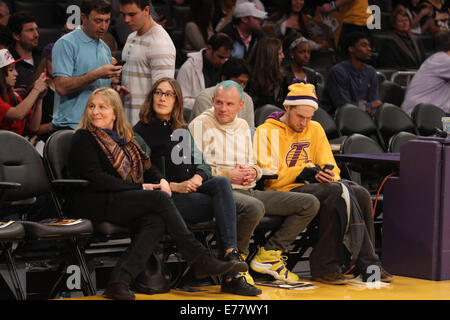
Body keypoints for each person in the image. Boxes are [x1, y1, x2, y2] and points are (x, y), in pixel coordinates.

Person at [66, 87, 246, 300]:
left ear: (115, 112)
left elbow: (147, 165)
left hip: (119, 200)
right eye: (92, 107)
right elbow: (97, 179)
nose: (95, 112)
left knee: (155, 221)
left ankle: (118, 282)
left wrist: (160, 179)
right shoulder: (83, 137)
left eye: (102, 107)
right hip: (93, 202)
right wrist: (140, 187)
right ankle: (198, 258)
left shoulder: (124, 139)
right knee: (159, 198)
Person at [253, 80, 394, 285]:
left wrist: (328, 174)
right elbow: (270, 177)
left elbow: (330, 165)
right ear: (287, 108)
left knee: (360, 193)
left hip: (318, 187)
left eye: (308, 118)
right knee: (336, 192)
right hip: (284, 190)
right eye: (300, 116)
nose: (304, 123)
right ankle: (341, 266)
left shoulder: (315, 128)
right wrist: (303, 172)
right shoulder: (267, 131)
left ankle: (357, 265)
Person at [133, 77, 261, 296]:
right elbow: (141, 176)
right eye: (158, 93)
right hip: (166, 199)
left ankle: (230, 255)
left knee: (220, 183)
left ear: (177, 101)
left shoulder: (181, 129)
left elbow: (202, 163)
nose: (163, 98)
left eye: (168, 94)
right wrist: (175, 186)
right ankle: (231, 276)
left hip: (191, 192)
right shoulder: (140, 132)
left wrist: (199, 178)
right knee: (226, 205)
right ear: (151, 97)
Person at [189, 80, 319, 284]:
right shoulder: (199, 125)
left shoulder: (242, 126)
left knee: (309, 203)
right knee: (254, 206)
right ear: (212, 101)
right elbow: (195, 170)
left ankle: (269, 254)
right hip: (219, 193)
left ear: (241, 106)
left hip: (249, 189)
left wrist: (253, 172)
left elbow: (255, 164)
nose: (223, 109)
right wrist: (226, 174)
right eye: (219, 103)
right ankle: (236, 261)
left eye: (230, 104)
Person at [51, 0, 129, 131]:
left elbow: (98, 90)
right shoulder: (66, 44)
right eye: (98, 21)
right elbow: (61, 87)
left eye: (107, 21)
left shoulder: (105, 48)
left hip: (98, 126)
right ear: (83, 18)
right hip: (71, 127)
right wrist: (98, 73)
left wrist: (114, 91)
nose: (103, 27)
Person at [119, 0, 176, 126]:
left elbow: (164, 95)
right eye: (123, 14)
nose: (126, 20)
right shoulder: (131, 36)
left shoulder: (160, 43)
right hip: (127, 123)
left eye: (132, 14)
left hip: (146, 127)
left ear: (146, 10)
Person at [323, 31, 381, 116]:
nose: (369, 49)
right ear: (351, 49)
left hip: (364, 118)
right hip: (337, 120)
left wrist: (369, 107)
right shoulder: (338, 72)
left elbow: (375, 102)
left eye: (369, 46)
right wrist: (369, 105)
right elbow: (343, 106)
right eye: (364, 45)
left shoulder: (371, 72)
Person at [190, 56, 254, 128]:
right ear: (224, 78)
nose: (241, 87)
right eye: (238, 82)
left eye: (244, 83)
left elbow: (249, 131)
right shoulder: (205, 98)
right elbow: (204, 132)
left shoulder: (247, 99)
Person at [176, 32, 233, 110]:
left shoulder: (226, 66)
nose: (223, 61)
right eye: (220, 57)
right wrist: (209, 104)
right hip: (194, 118)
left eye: (226, 58)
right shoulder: (188, 67)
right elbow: (181, 101)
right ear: (209, 48)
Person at [401, 30, 450, 115]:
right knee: (447, 127)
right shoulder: (444, 61)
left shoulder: (440, 58)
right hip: (420, 116)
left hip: (437, 114)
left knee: (447, 126)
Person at [0, 48, 47, 135]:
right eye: (11, 70)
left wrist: (39, 98)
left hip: (16, 144)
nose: (16, 73)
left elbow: (34, 127)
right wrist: (36, 90)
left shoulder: (14, 96)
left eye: (15, 69)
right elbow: (18, 114)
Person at [267, 0, 333, 50]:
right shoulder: (277, 19)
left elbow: (322, 42)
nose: (298, 2)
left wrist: (318, 46)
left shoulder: (307, 21)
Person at [7, 11, 41, 99]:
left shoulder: (43, 56)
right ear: (16, 36)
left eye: (36, 29)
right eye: (30, 30)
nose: (36, 34)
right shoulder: (7, 62)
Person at [247, 37, 285, 109]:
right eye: (280, 53)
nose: (283, 56)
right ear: (270, 57)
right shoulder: (250, 79)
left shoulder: (280, 77)